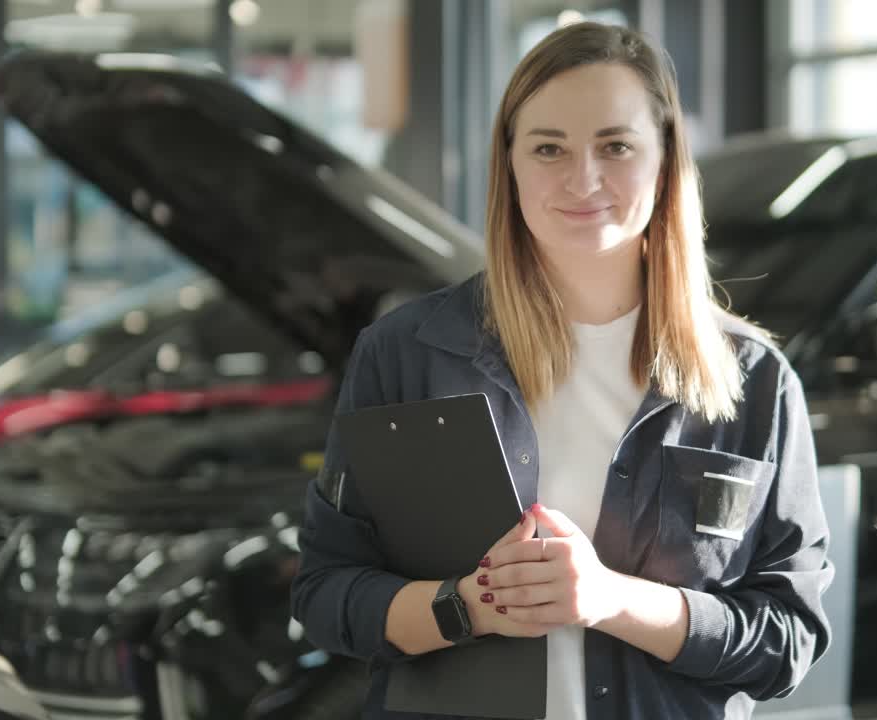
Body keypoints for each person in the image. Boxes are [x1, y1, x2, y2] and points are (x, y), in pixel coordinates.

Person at [291, 21, 833, 719]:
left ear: (665, 162)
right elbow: (326, 594)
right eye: (549, 148)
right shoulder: (405, 355)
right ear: (509, 164)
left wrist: (613, 599)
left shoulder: (753, 379)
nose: (583, 179)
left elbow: (789, 638)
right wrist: (466, 608)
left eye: (616, 146)